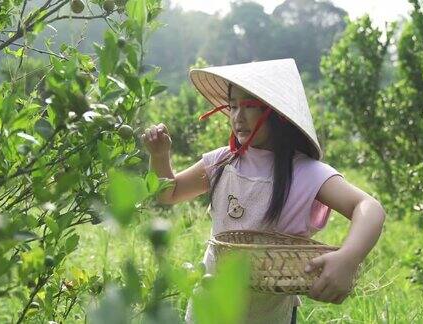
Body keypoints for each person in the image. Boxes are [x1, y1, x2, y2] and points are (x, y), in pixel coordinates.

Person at [140, 58, 386, 324]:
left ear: (277, 115)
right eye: (233, 106)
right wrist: (160, 155)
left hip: (267, 315)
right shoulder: (222, 161)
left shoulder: (305, 172)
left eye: (249, 107)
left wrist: (348, 258)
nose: (238, 117)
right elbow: (169, 193)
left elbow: (369, 207)